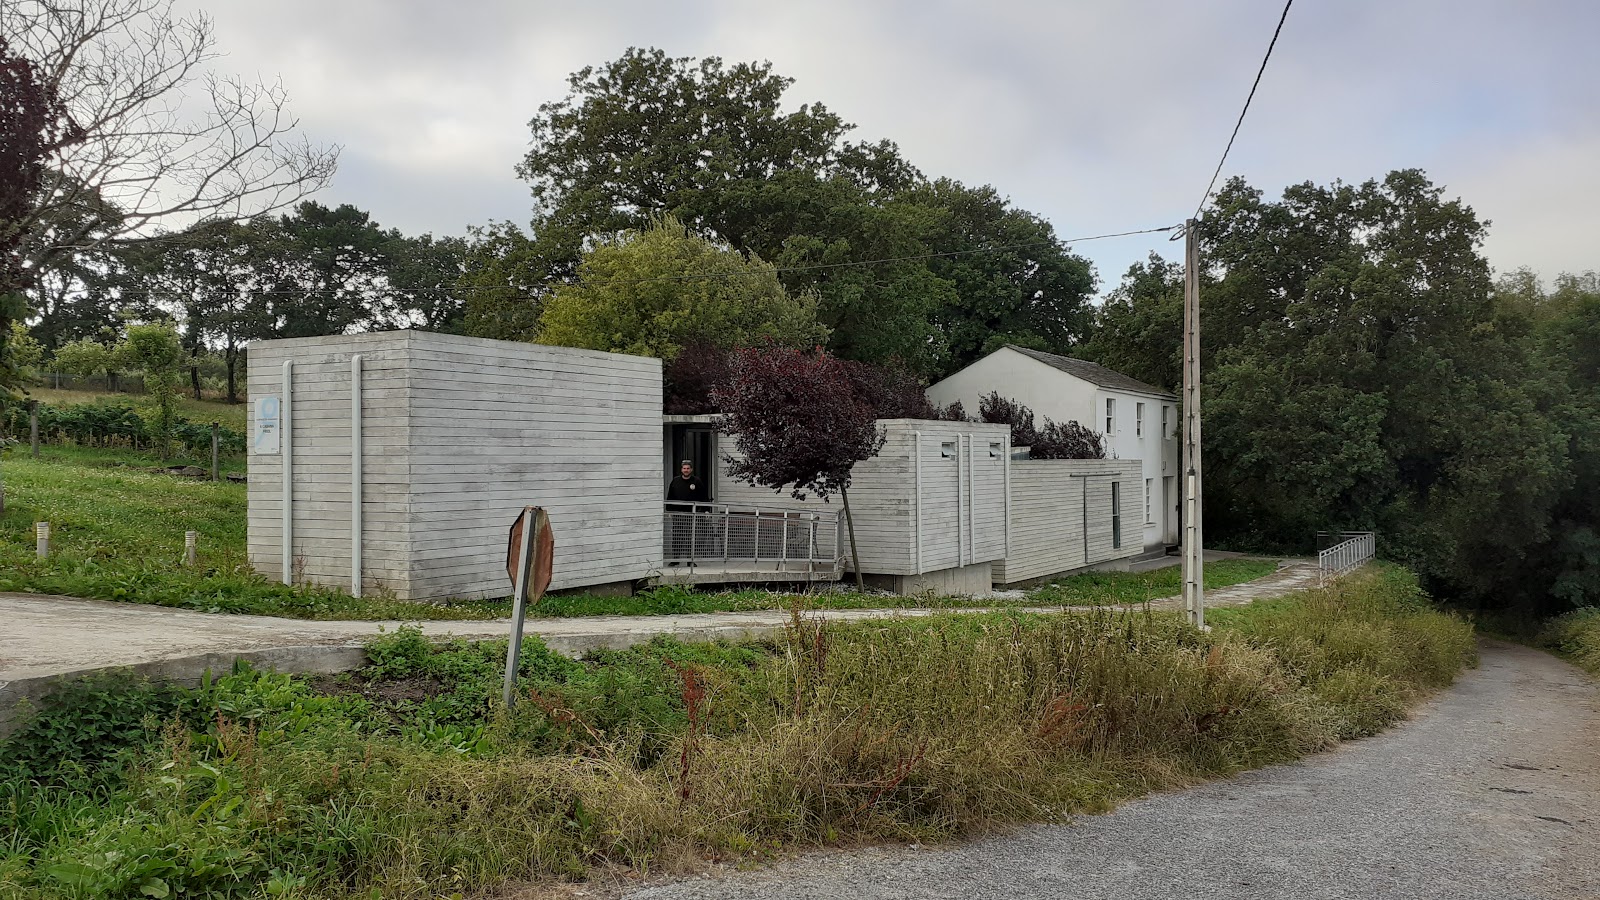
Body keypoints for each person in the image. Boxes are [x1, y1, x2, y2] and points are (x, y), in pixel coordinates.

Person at [665, 460, 703, 564]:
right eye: (684, 468)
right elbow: (670, 496)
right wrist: (669, 510)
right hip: (678, 514)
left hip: (692, 514)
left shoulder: (697, 481)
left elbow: (703, 497)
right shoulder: (675, 481)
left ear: (691, 470)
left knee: (691, 537)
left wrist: (706, 510)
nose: (686, 470)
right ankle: (675, 559)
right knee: (677, 537)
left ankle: (690, 560)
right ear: (681, 470)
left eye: (688, 468)